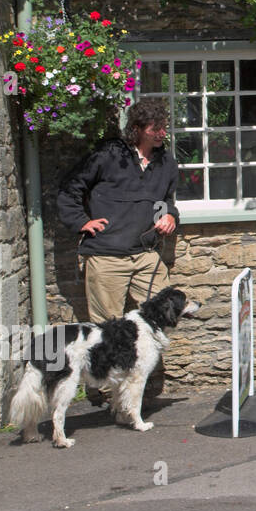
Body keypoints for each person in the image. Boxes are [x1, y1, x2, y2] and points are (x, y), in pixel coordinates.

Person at [57, 98, 179, 398]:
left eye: (164, 126)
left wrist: (169, 217)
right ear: (137, 129)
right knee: (105, 328)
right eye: (156, 128)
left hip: (146, 254)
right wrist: (81, 222)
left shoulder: (166, 162)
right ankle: (107, 391)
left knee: (166, 313)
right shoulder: (109, 155)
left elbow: (167, 201)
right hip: (106, 255)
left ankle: (139, 385)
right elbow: (70, 189)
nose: (163, 133)